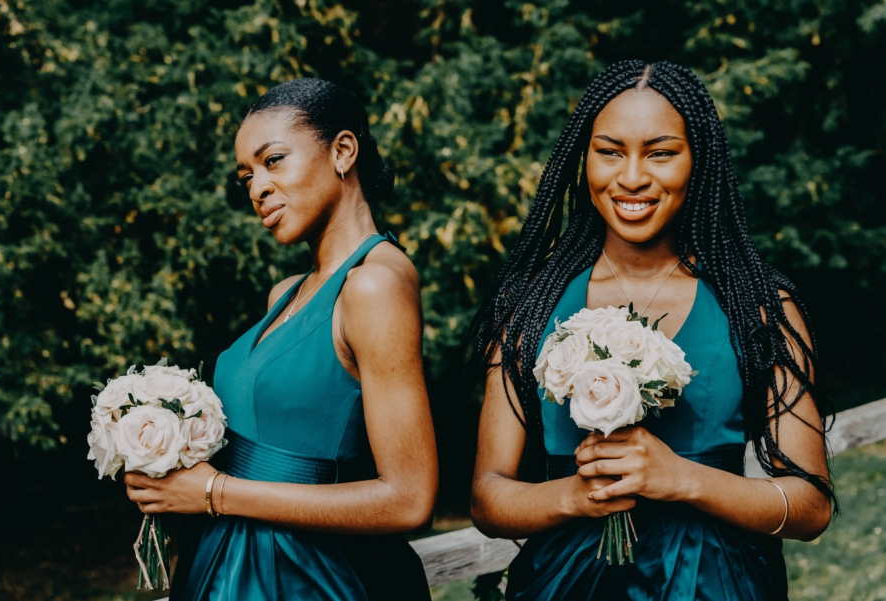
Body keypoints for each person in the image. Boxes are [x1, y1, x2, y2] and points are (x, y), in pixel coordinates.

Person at [469, 60, 834, 600]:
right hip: (567, 584)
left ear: (698, 161)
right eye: (610, 151)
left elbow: (811, 508)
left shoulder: (759, 305)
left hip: (718, 584)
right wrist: (575, 495)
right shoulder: (529, 305)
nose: (632, 176)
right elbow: (487, 498)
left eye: (660, 152)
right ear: (583, 157)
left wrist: (683, 479)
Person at [123, 78, 438, 600]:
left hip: (309, 577)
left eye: (273, 161)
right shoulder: (285, 294)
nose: (256, 188)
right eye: (246, 175)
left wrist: (213, 492)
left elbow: (409, 499)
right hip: (223, 563)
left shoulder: (374, 284)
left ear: (342, 151)